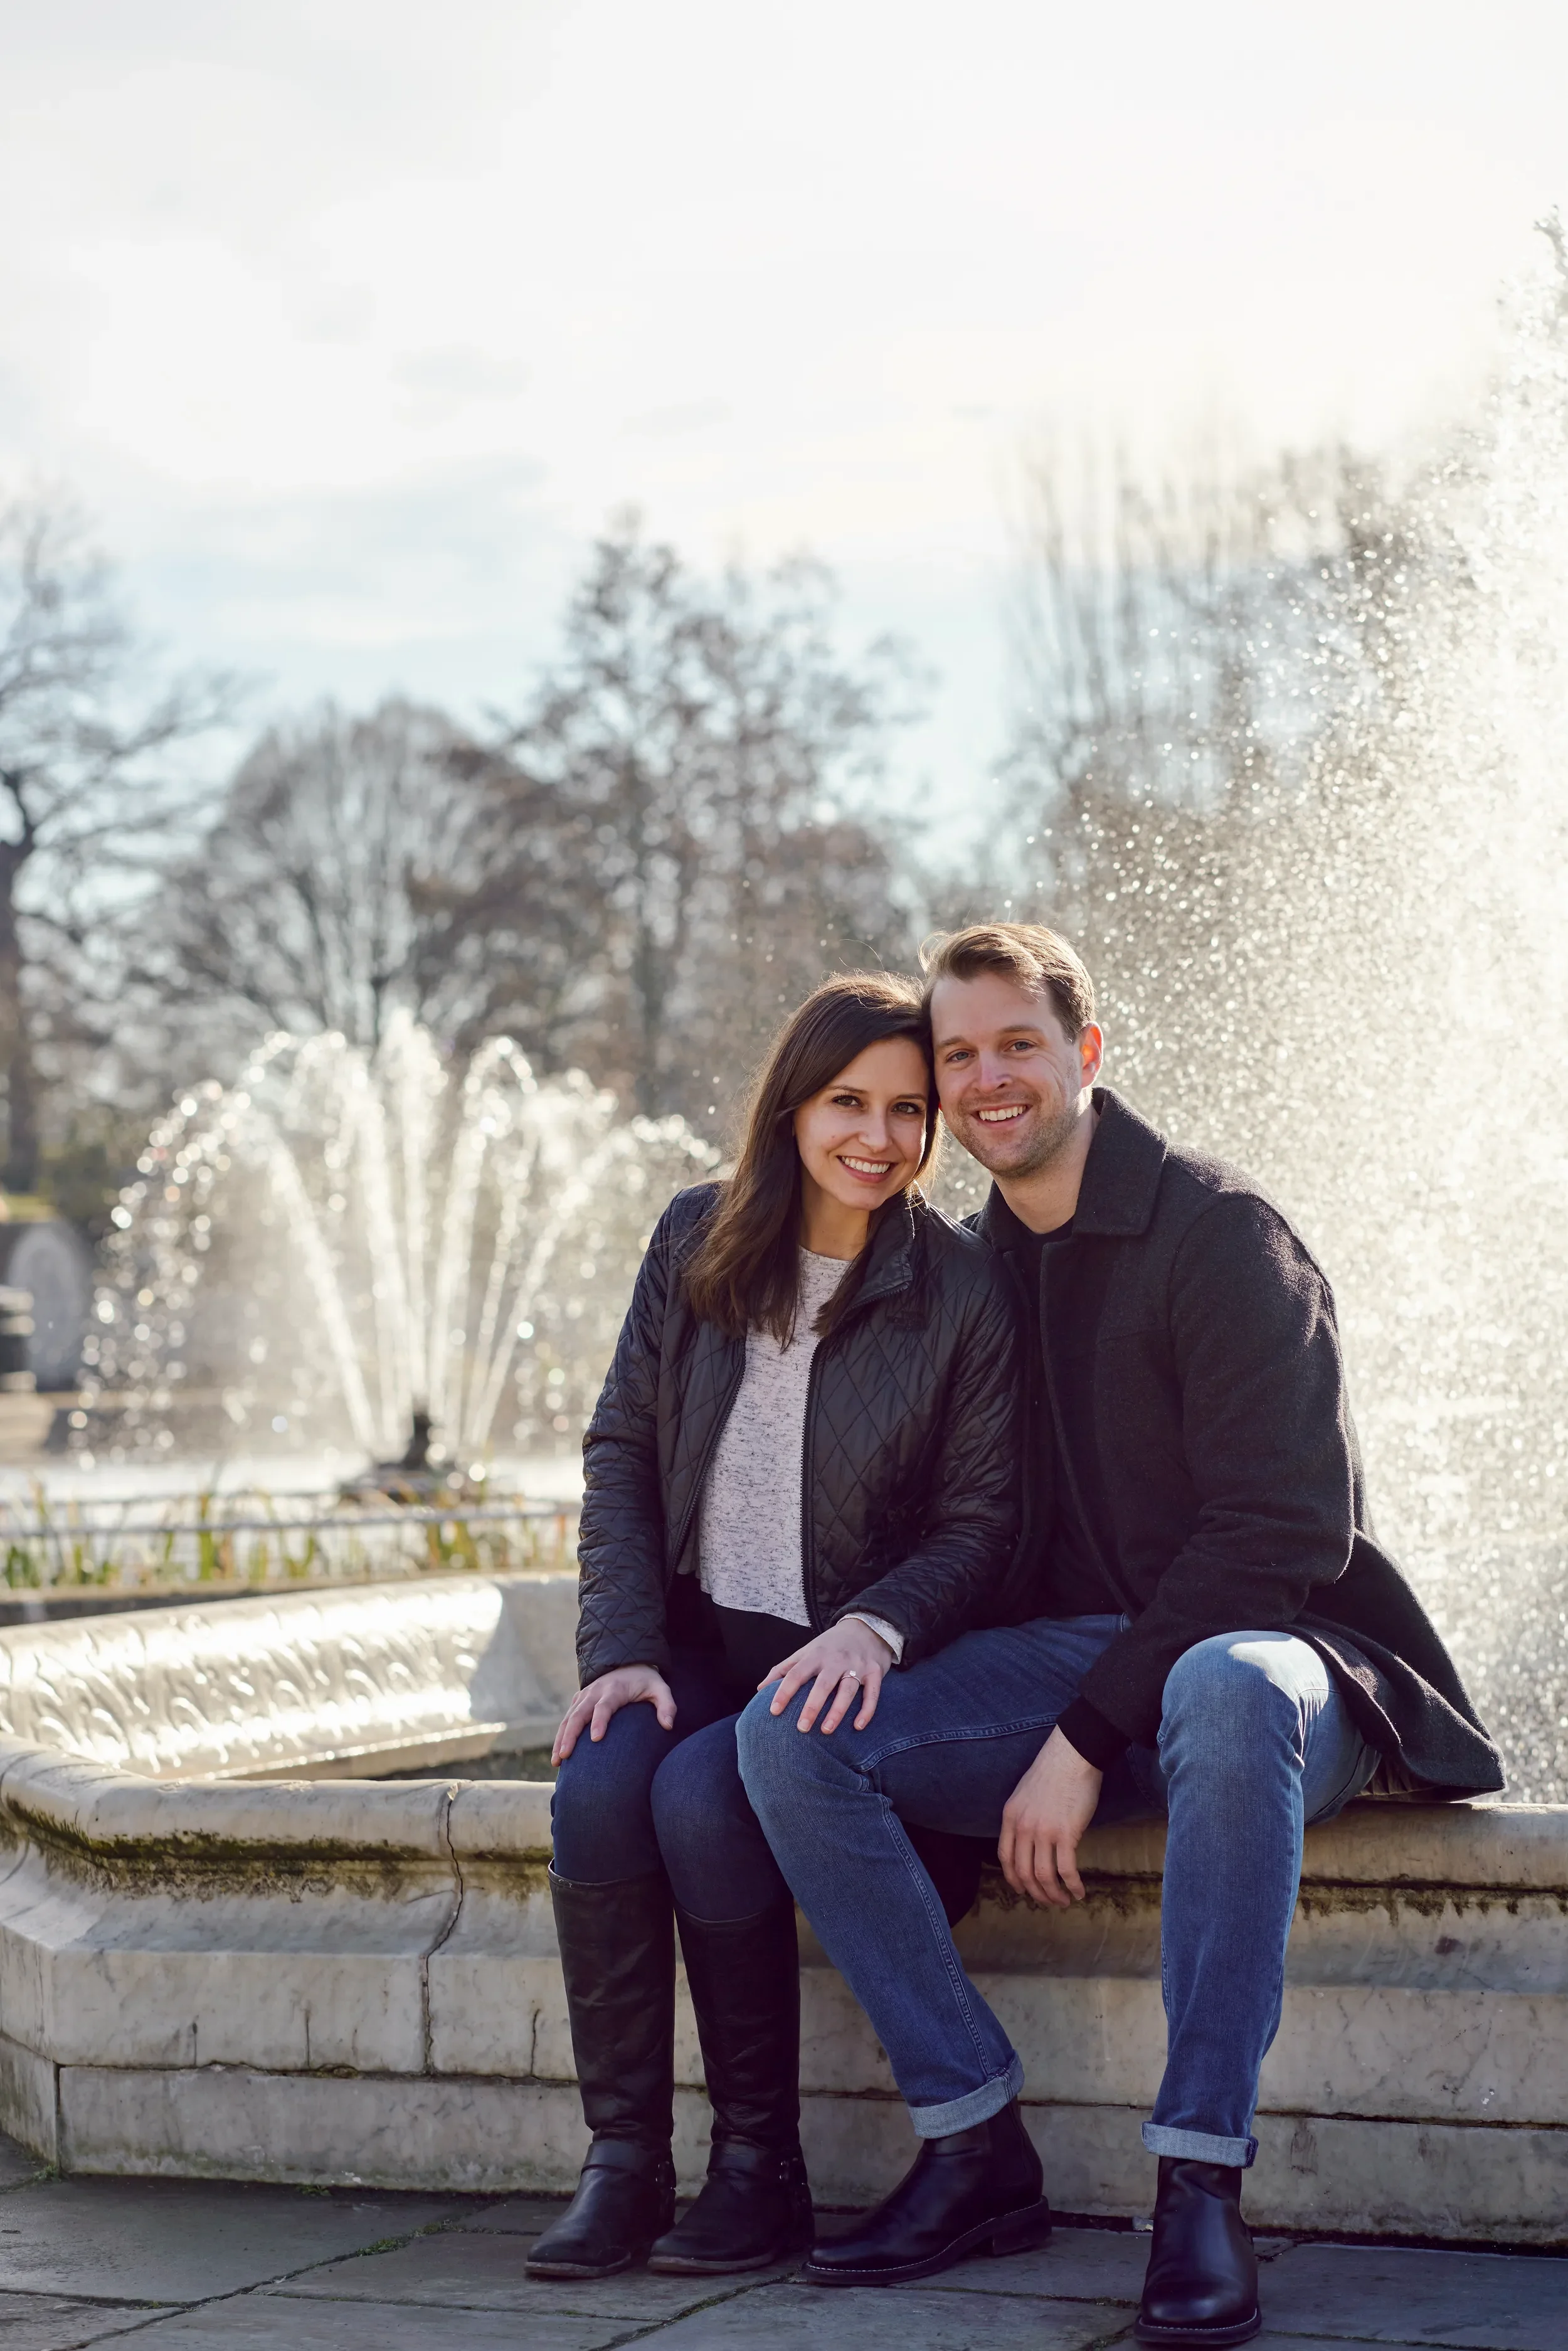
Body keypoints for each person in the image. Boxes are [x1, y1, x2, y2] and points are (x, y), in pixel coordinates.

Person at [736, 923, 1503, 2351]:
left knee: (1217, 1684)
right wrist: (866, 1629)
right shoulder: (970, 1271)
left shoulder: (1219, 1232)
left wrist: (1082, 1739)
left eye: (1014, 1043)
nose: (983, 1080)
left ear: (1085, 1052)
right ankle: (971, 2141)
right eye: (954, 1055)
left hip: (1290, 1658)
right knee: (787, 1732)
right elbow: (952, 1524)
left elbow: (1281, 1533)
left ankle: (1199, 2178)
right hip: (1081, 1658)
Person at [526, 971, 1022, 2285]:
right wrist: (619, 1643)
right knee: (592, 1792)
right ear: (791, 1105)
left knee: (700, 1796)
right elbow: (622, 1449)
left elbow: (980, 1522)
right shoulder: (696, 1236)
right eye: (847, 1101)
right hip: (691, 1641)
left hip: (825, 1667)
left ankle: (760, 2168)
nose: (878, 1134)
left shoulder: (954, 1285)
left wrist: (878, 1625)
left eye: (908, 1108)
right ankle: (623, 2162)